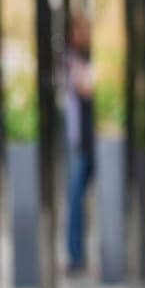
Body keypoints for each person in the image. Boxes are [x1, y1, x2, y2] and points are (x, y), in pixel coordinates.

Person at [65, 14, 97, 273]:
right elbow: (86, 87)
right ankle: (76, 255)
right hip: (80, 142)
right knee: (75, 199)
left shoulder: (90, 58)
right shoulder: (70, 60)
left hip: (94, 140)